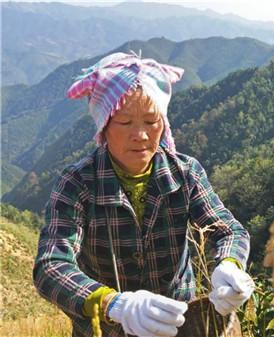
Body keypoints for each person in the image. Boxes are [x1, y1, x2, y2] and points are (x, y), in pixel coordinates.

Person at [33, 52, 254, 337]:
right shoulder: (78, 184)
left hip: (178, 325)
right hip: (109, 331)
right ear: (104, 126)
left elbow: (227, 230)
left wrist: (229, 264)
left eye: (151, 121)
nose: (141, 135)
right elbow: (51, 266)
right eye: (125, 123)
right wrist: (112, 302)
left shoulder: (185, 174)